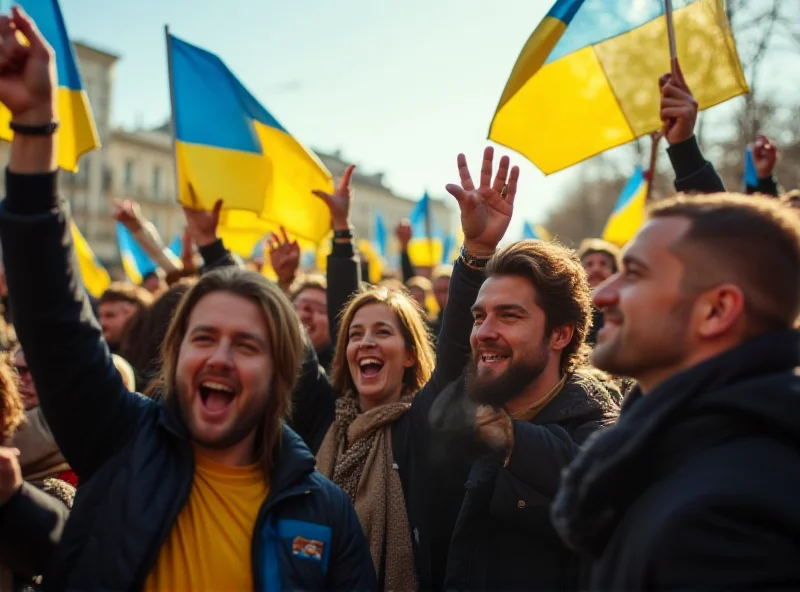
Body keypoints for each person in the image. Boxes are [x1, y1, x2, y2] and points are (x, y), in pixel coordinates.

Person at [0, 9, 375, 591]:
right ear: (174, 356)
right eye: (203, 337)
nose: (220, 357)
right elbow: (50, 312)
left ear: (281, 369)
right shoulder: (120, 440)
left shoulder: (324, 514)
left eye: (245, 344)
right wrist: (32, 128)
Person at [553, 193, 800, 590]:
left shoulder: (728, 520)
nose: (601, 295)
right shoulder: (666, 456)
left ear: (716, 311)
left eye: (633, 273)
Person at [429, 239, 620, 591]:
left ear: (560, 334)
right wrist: (476, 250)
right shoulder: (461, 415)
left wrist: (512, 439)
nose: (484, 332)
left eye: (509, 315)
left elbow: (596, 487)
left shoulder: (602, 427)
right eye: (479, 317)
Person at [97, 282, 153, 352]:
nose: (102, 323)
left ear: (134, 314)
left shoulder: (148, 351)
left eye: (110, 315)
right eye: (99, 316)